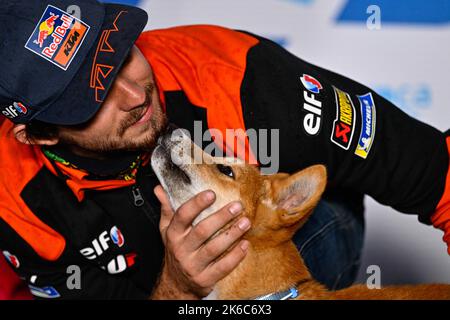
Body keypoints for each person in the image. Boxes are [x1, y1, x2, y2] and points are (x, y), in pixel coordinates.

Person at [0, 0, 448, 300]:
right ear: (38, 136)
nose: (135, 95)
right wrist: (178, 286)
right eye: (92, 99)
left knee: (291, 213)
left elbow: (434, 174)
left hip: (297, 240)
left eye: (121, 56)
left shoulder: (238, 76)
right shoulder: (11, 194)